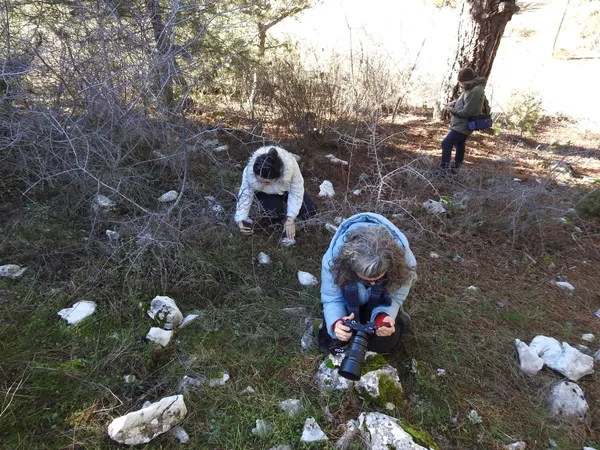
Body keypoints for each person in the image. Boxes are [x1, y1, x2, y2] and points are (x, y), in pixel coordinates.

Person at [319, 213, 417, 354]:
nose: (372, 283)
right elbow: (332, 298)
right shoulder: (334, 260)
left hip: (381, 301)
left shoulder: (405, 263)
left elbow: (395, 297)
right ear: (350, 265)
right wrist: (337, 322)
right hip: (347, 302)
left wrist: (383, 317)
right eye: (365, 279)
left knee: (383, 342)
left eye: (377, 278)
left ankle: (401, 320)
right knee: (332, 339)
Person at [234, 145, 317, 239]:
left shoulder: (291, 167)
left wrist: (290, 218)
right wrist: (241, 219)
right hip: (265, 193)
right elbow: (245, 194)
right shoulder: (249, 171)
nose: (263, 183)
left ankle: (292, 225)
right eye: (259, 180)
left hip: (286, 188)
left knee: (310, 210)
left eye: (266, 182)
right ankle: (281, 224)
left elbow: (296, 190)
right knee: (273, 213)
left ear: (277, 177)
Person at [439, 67, 487, 175]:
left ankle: (444, 172)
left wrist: (452, 110)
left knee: (446, 143)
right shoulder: (470, 87)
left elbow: (468, 113)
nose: (461, 84)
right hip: (460, 124)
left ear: (468, 80)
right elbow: (463, 99)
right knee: (459, 145)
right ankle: (454, 171)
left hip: (463, 124)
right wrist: (453, 103)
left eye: (462, 82)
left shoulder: (476, 90)